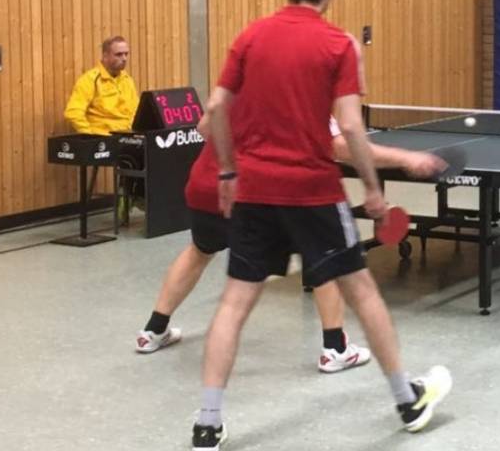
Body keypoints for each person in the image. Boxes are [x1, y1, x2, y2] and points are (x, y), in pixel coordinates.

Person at [190, 0, 452, 450]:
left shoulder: (250, 36)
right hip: (313, 192)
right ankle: (407, 400)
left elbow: (215, 109)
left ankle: (207, 423)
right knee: (363, 292)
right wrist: (372, 189)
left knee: (234, 303)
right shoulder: (338, 44)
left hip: (254, 192)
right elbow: (350, 126)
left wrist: (227, 171)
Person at [136, 113, 446, 377]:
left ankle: (153, 330)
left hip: (207, 184)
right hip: (253, 192)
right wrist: (404, 158)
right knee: (324, 259)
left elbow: (205, 126)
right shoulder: (302, 86)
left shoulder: (240, 80)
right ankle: (335, 349)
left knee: (200, 251)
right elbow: (340, 147)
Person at [63, 36, 139, 134]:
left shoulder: (127, 80)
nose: (124, 58)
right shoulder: (90, 80)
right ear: (105, 56)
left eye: (126, 54)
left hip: (127, 136)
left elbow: (136, 111)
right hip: (103, 138)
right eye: (119, 54)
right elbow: (73, 112)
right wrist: (89, 135)